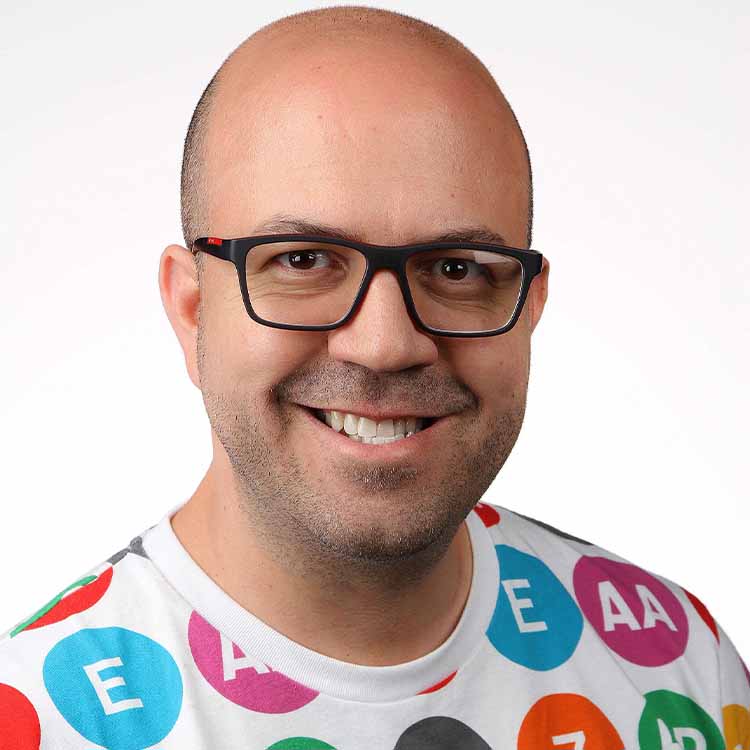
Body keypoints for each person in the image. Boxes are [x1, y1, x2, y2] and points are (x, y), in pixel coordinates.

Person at [1, 5, 747, 747]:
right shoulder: (35, 721)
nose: (385, 345)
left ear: (529, 309)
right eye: (303, 260)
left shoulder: (685, 672)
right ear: (192, 309)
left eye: (456, 269)